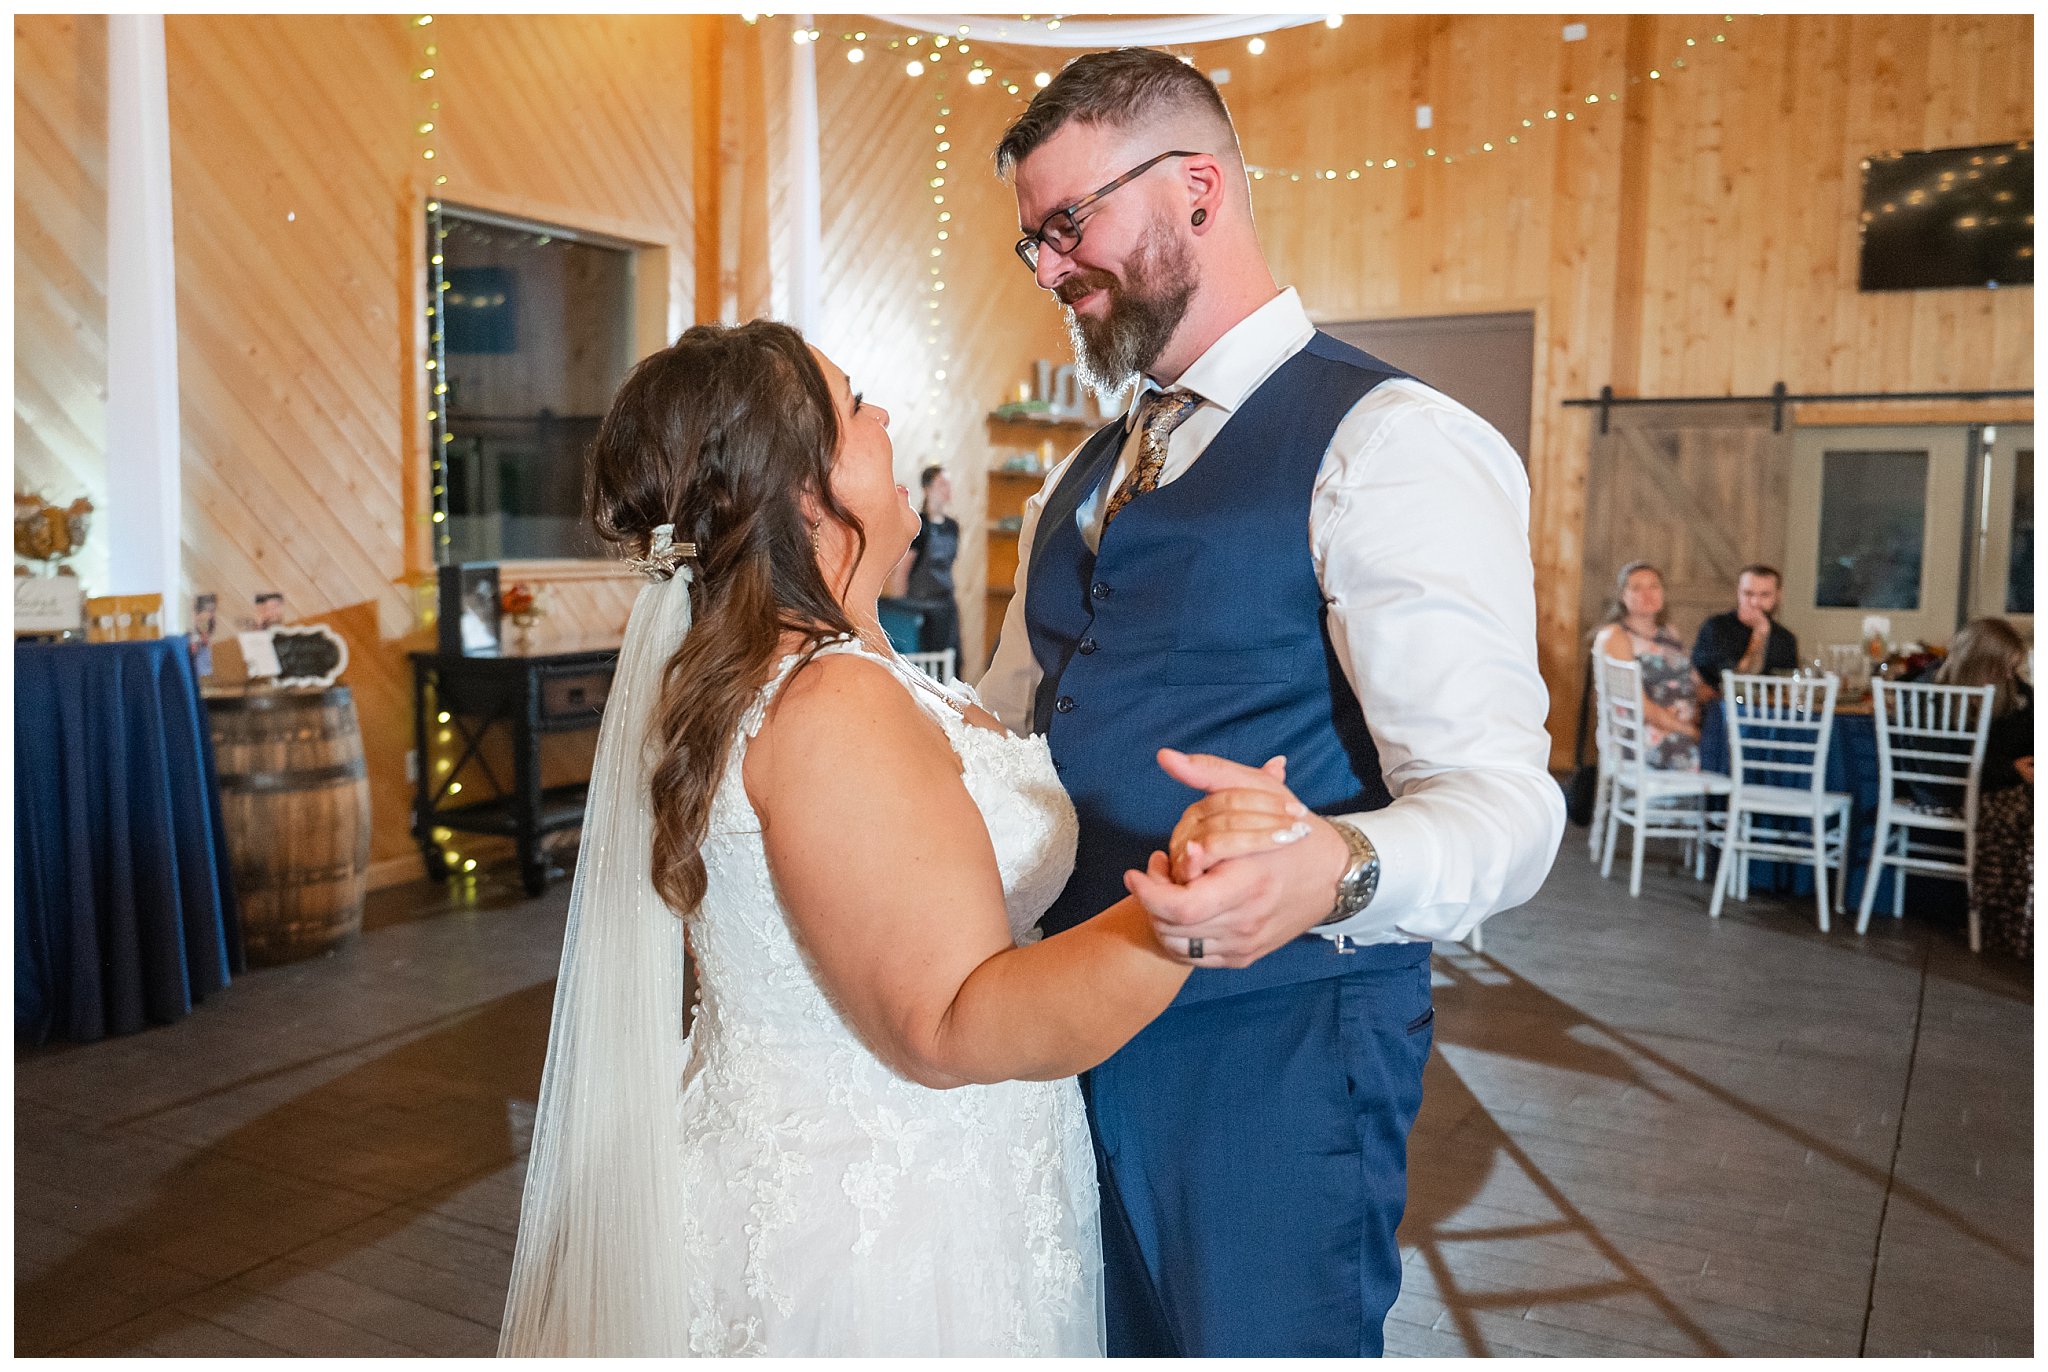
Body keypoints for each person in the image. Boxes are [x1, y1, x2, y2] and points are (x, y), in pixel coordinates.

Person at [980, 49, 1565, 1358]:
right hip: (1062, 1021)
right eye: (1031, 244)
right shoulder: (1084, 472)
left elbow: (1506, 800)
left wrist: (1338, 866)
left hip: (1277, 1050)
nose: (1050, 269)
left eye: (1068, 225)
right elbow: (1012, 721)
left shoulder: (1392, 443)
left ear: (1198, 189)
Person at [499, 321, 1219, 1355]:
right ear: (800, 489)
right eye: (853, 406)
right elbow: (947, 1023)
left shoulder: (842, 671)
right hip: (881, 1230)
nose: (883, 419)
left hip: (915, 1175)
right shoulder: (829, 702)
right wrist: (1188, 913)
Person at [1934, 618, 2033, 957]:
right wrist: (2010, 769)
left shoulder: (2011, 689)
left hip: (1995, 782)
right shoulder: (1936, 695)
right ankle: (2008, 921)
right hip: (1953, 790)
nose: (2010, 676)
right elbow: (1948, 764)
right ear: (1979, 663)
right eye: (2003, 668)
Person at [1592, 561, 1702, 771]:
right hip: (1641, 731)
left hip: (1678, 723)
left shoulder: (1669, 633)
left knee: (1726, 742)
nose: (1647, 594)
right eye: (1637, 588)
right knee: (1706, 749)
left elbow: (1691, 681)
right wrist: (1690, 731)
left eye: (1654, 586)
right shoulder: (1615, 636)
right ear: (1623, 595)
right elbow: (1637, 704)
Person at [884, 464, 962, 657]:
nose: (947, 490)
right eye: (942, 484)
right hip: (921, 608)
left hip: (946, 606)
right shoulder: (919, 526)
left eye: (949, 485)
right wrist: (902, 612)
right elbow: (903, 569)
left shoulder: (952, 527)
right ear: (927, 488)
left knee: (952, 661)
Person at [1691, 564, 1799, 697]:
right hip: (1724, 709)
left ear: (1778, 595)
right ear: (1738, 592)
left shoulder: (1785, 638)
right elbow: (1738, 684)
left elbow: (1788, 687)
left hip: (1771, 712)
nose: (1755, 602)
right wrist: (1760, 635)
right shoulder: (1716, 628)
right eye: (1748, 593)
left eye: (1764, 595)